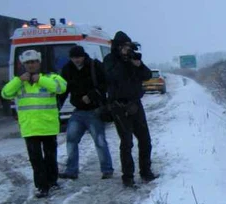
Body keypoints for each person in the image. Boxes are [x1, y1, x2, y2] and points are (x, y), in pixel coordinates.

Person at [1, 49, 67, 198]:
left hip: (48, 126)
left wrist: (40, 80)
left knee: (50, 157)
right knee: (36, 160)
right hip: (30, 128)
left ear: (39, 62)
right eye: (28, 63)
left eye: (34, 62)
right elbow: (5, 93)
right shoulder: (19, 81)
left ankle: (52, 182)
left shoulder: (51, 77)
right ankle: (42, 186)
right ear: (24, 65)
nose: (31, 65)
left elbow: (60, 88)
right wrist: (19, 80)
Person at [103, 31, 158, 188]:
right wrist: (123, 60)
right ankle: (127, 177)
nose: (128, 49)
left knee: (145, 140)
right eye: (125, 47)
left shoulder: (133, 59)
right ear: (118, 46)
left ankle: (146, 172)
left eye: (129, 46)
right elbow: (113, 76)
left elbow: (147, 75)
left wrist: (138, 64)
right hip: (118, 106)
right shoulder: (110, 60)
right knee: (127, 142)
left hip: (135, 104)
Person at [58, 46, 114, 180]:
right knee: (71, 140)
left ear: (83, 56)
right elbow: (63, 90)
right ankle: (71, 171)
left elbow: (105, 84)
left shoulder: (95, 66)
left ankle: (107, 170)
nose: (76, 60)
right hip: (78, 112)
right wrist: (57, 106)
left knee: (100, 141)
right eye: (73, 58)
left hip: (94, 111)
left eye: (78, 57)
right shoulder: (67, 69)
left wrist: (92, 95)